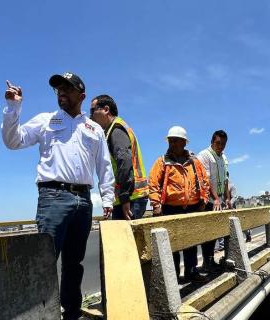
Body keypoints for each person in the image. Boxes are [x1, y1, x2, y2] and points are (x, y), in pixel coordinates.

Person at [1, 72, 114, 320]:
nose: (61, 92)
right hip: (53, 198)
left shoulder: (94, 129)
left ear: (82, 96)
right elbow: (13, 141)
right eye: (58, 88)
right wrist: (13, 107)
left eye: (67, 88)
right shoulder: (45, 121)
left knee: (74, 263)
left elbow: (104, 167)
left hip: (84, 200)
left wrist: (107, 199)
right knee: (44, 261)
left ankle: (71, 317)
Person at [148, 126, 209, 283]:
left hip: (192, 208)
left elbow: (204, 182)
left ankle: (191, 272)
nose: (172, 144)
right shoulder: (162, 162)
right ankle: (173, 276)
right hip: (170, 208)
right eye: (170, 140)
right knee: (172, 245)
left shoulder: (195, 162)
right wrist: (156, 205)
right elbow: (153, 184)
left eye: (175, 141)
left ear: (183, 142)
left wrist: (203, 199)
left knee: (191, 242)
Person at [89, 94, 149, 220]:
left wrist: (124, 197)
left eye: (93, 110)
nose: (90, 116)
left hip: (131, 198)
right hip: (129, 197)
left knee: (125, 238)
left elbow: (124, 162)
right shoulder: (112, 130)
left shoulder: (116, 131)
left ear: (106, 110)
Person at [197, 130, 229, 269]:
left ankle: (210, 261)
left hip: (220, 200)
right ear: (212, 142)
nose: (220, 146)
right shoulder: (204, 155)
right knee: (208, 233)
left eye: (223, 144)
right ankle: (207, 262)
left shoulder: (223, 158)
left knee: (216, 232)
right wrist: (216, 198)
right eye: (217, 143)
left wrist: (227, 198)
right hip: (209, 200)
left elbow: (226, 179)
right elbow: (206, 180)